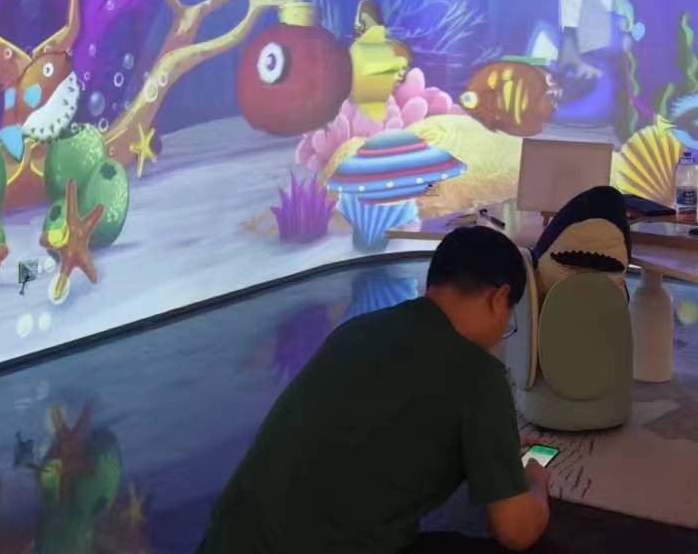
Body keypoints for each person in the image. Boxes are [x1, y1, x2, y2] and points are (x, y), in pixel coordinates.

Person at [199, 224, 551, 553]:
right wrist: (536, 483)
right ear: (499, 298)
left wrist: (494, 447)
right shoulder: (478, 374)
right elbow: (516, 531)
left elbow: (381, 433)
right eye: (509, 317)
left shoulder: (355, 330)